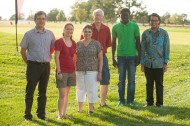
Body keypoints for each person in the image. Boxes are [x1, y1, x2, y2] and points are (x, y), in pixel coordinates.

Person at [20, 11, 55, 121]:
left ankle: (41, 114)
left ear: (46, 20)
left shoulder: (50, 34)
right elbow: (22, 51)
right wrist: (29, 63)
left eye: (43, 18)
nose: (41, 20)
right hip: (33, 66)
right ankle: (27, 115)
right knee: (30, 91)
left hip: (46, 66)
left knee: (43, 92)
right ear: (35, 20)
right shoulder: (28, 34)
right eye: (39, 18)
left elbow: (56, 47)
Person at [80, 9, 112, 107]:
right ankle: (91, 104)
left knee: (105, 79)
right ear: (93, 16)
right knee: (90, 81)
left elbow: (108, 44)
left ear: (103, 17)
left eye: (100, 15)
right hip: (90, 58)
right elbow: (82, 42)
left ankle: (102, 103)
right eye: (96, 15)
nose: (98, 17)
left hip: (103, 57)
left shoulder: (106, 29)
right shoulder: (88, 28)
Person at [111, 8, 140, 107]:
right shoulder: (115, 27)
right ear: (119, 15)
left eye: (126, 15)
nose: (124, 17)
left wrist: (139, 56)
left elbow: (138, 42)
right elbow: (113, 43)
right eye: (122, 15)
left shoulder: (135, 26)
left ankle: (130, 101)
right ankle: (121, 100)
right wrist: (113, 57)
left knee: (131, 80)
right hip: (120, 57)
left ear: (129, 15)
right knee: (121, 80)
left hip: (132, 56)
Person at [140, 13, 170, 108]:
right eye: (152, 20)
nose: (154, 22)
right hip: (148, 63)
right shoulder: (145, 33)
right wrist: (142, 63)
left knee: (159, 84)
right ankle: (149, 102)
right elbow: (142, 49)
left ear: (159, 21)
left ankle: (159, 103)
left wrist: (165, 62)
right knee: (149, 83)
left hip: (159, 63)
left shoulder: (164, 33)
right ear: (149, 22)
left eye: (156, 20)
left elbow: (167, 48)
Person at [76, 24, 103, 114]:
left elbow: (100, 59)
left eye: (89, 32)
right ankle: (80, 109)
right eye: (85, 31)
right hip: (79, 71)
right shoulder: (78, 44)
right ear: (82, 32)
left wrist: (100, 72)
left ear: (92, 33)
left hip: (93, 71)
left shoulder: (96, 44)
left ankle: (90, 109)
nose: (87, 33)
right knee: (80, 89)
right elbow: (74, 58)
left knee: (91, 89)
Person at [54, 23, 76, 120]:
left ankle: (64, 113)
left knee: (66, 94)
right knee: (62, 94)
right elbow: (56, 57)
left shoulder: (74, 43)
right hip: (62, 71)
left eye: (71, 29)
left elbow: (73, 57)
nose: (69, 31)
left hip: (71, 71)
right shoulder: (59, 41)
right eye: (67, 29)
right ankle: (59, 114)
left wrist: (74, 69)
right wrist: (59, 71)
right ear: (64, 30)